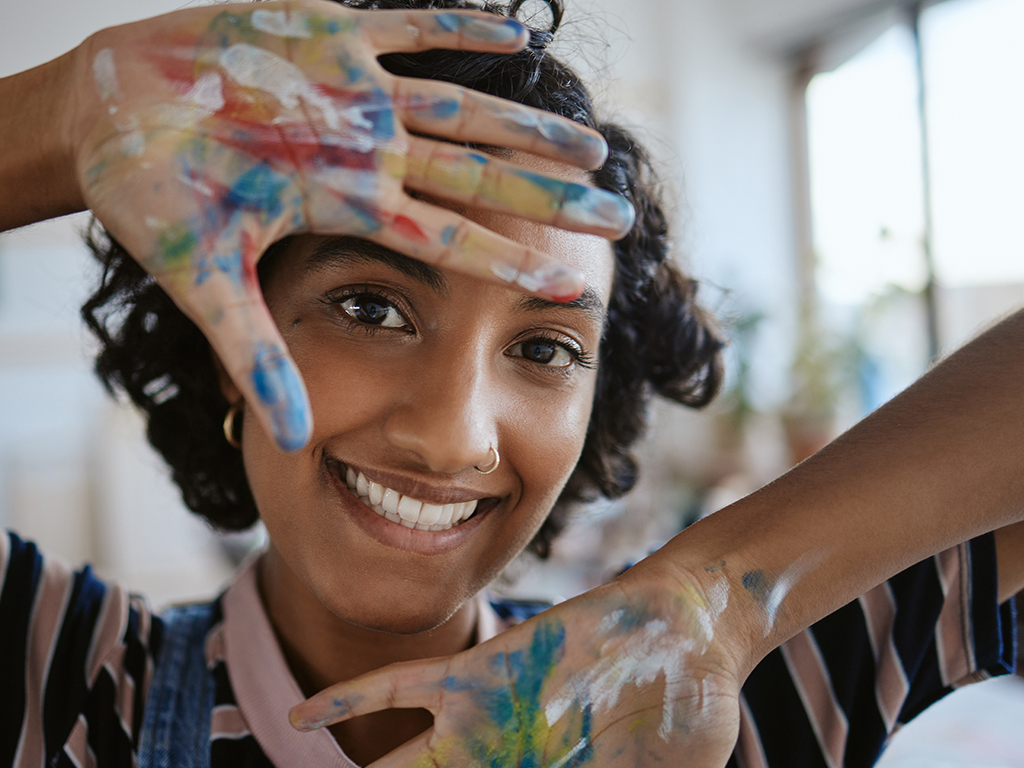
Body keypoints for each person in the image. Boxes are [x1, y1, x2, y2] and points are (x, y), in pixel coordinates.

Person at [0, 1, 1020, 767]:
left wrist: (717, 603)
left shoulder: (719, 692)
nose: (453, 439)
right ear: (226, 337)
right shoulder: (71, 690)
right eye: (371, 308)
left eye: (544, 349)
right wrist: (60, 113)